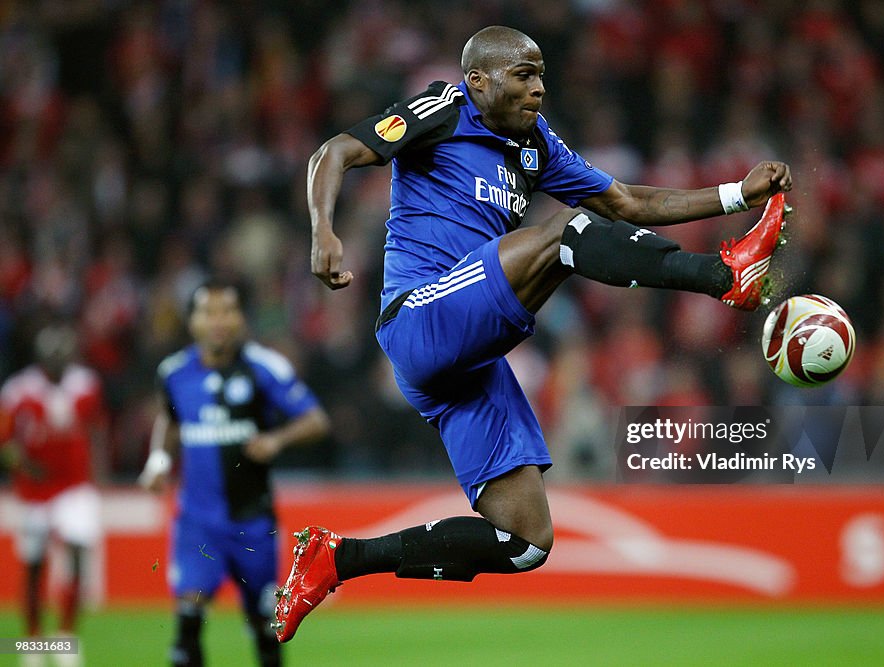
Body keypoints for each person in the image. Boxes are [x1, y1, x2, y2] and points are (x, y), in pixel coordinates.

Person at [274, 25, 792, 642]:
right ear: (478, 82)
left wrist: (736, 193)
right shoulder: (440, 110)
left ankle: (336, 560)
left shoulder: (535, 144)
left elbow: (627, 202)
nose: (539, 88)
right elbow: (331, 153)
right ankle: (721, 275)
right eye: (523, 75)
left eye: (542, 74)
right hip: (418, 318)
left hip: (470, 362)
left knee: (523, 542)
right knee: (568, 232)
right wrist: (322, 233)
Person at [138, 280, 330, 666]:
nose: (218, 322)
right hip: (197, 522)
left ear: (241, 317)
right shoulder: (174, 373)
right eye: (208, 312)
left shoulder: (263, 368)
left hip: (252, 524)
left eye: (227, 311)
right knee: (187, 624)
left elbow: (316, 420)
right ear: (192, 320)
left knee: (266, 630)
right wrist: (158, 461)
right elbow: (169, 420)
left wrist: (276, 440)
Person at [0, 323, 107, 667]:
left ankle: (65, 638)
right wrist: (23, 465)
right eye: (53, 355)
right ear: (41, 357)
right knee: (34, 565)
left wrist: (98, 475)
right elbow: (5, 441)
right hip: (34, 490)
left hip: (74, 485)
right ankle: (32, 643)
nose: (59, 361)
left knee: (77, 550)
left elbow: (97, 430)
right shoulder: (18, 391)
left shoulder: (86, 384)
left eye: (64, 354)